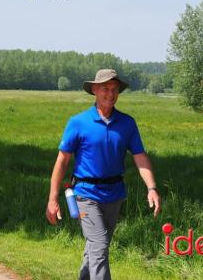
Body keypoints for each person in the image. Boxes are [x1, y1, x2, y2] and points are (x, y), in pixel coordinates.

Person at [46, 69, 161, 280]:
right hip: (85, 195)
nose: (111, 94)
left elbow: (140, 156)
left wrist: (151, 188)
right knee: (99, 247)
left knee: (95, 248)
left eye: (115, 89)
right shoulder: (78, 122)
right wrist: (53, 198)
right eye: (105, 89)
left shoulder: (127, 123)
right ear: (95, 91)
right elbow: (62, 162)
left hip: (114, 195)